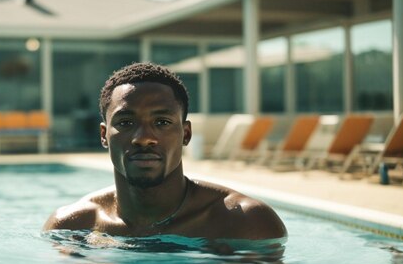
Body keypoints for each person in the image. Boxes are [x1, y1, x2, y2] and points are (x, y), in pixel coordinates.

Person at [43, 62, 286, 240]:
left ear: (186, 134)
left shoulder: (246, 222)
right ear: (103, 135)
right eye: (126, 123)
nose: (144, 138)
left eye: (162, 122)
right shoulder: (73, 227)